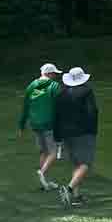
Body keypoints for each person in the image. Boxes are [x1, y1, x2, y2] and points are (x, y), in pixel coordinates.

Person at [52, 66, 99, 207]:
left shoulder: (61, 93)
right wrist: (93, 129)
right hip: (84, 132)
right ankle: (70, 189)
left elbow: (56, 116)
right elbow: (92, 112)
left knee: (76, 163)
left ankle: (77, 196)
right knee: (85, 163)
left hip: (66, 133)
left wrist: (57, 136)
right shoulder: (87, 91)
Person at [17, 63, 62, 191]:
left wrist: (21, 125)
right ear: (49, 74)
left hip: (35, 124)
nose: (55, 76)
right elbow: (60, 105)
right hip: (49, 124)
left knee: (43, 151)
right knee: (53, 152)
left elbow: (26, 106)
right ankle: (42, 172)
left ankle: (44, 183)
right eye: (54, 74)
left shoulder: (32, 86)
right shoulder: (54, 86)